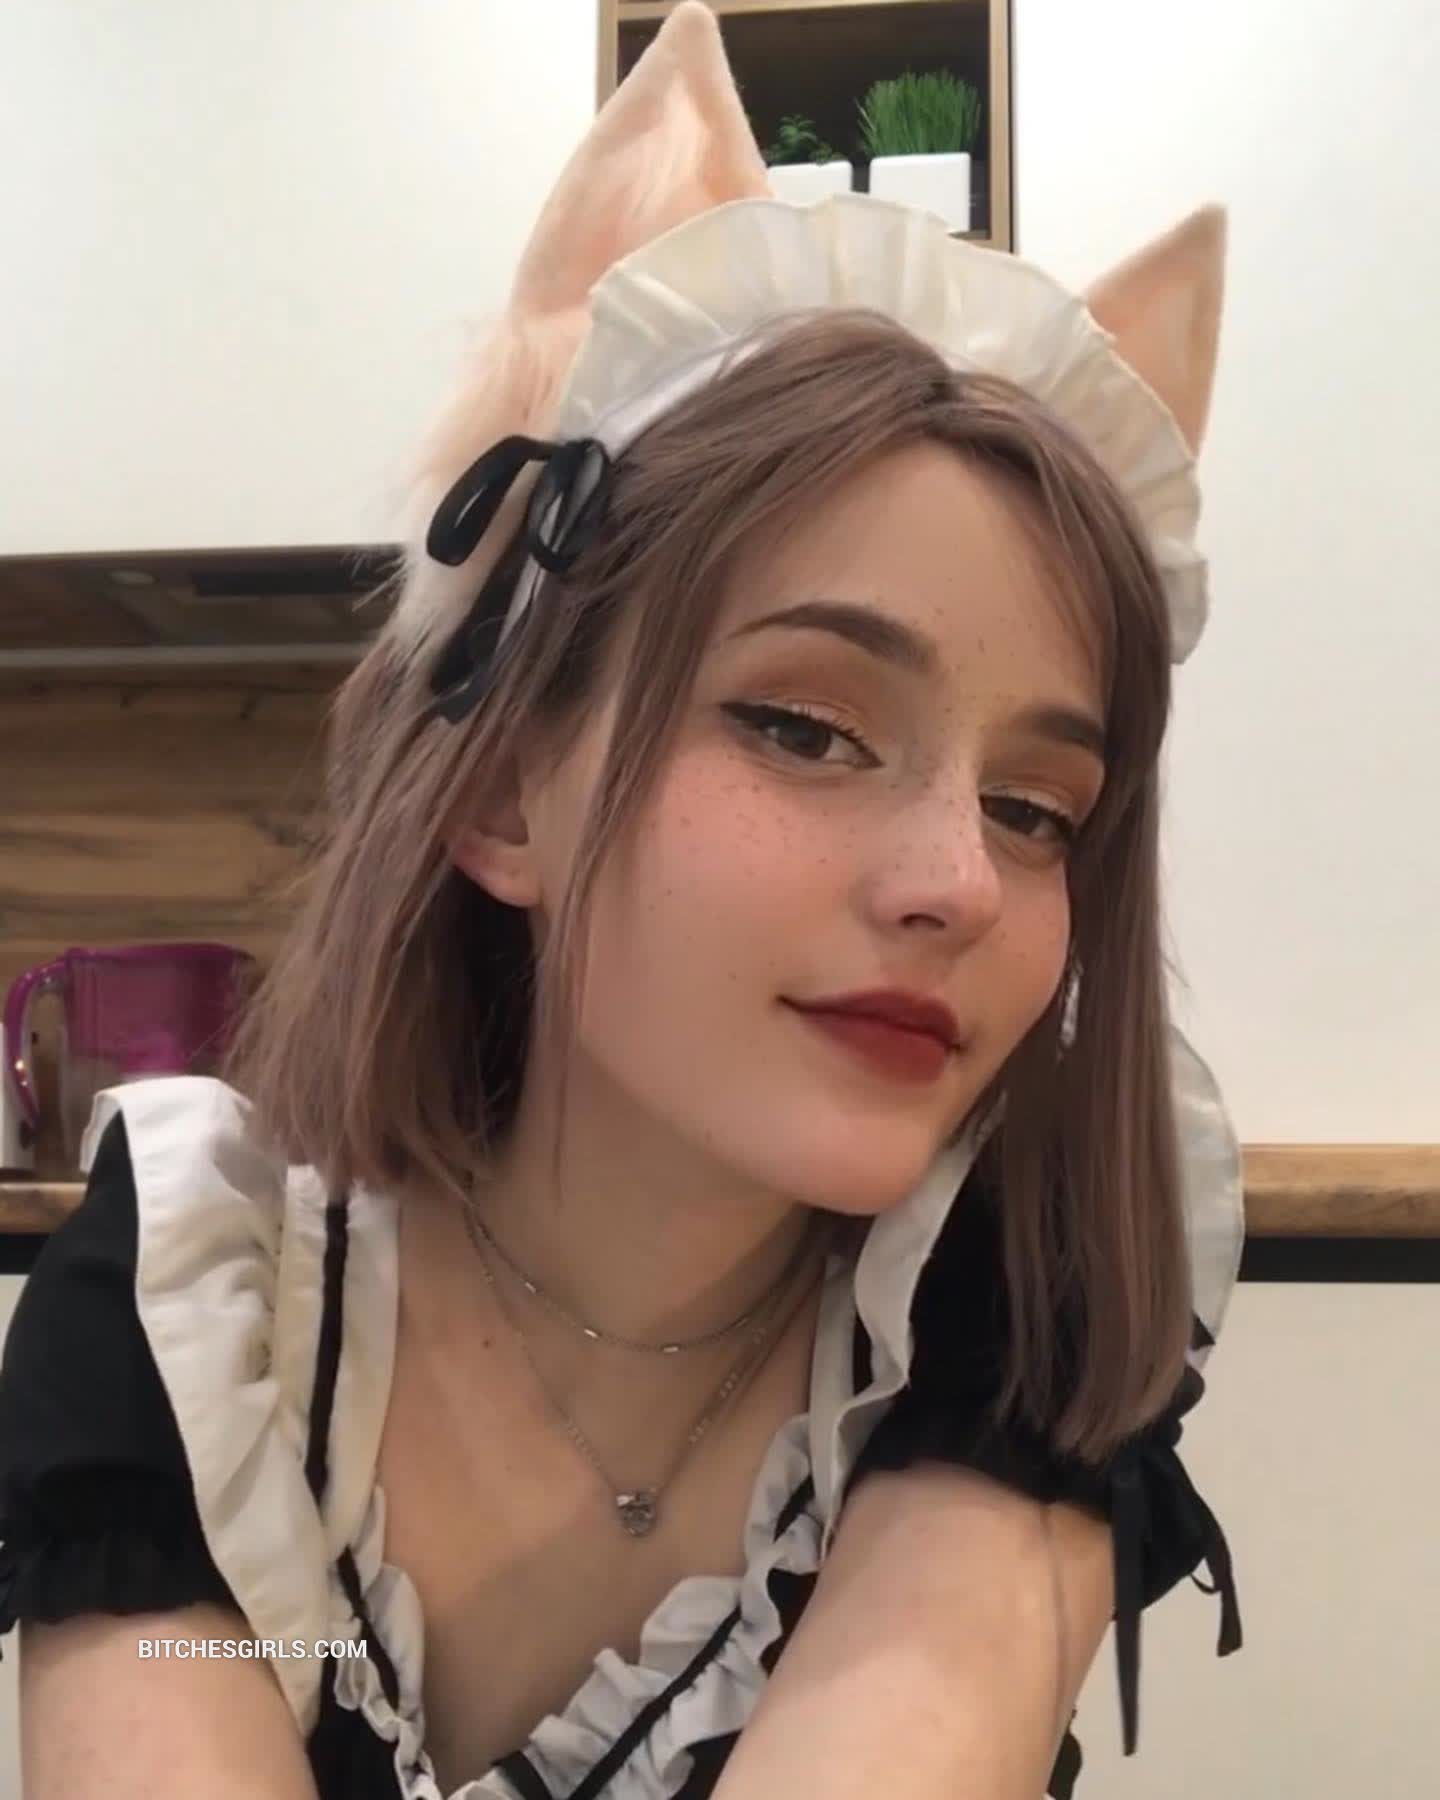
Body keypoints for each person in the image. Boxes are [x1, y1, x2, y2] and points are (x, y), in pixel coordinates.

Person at [0, 5, 1245, 1796]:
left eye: (1040, 808)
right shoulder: (206, 1305)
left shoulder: (1007, 1303)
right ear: (503, 791)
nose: (961, 883)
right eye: (806, 727)